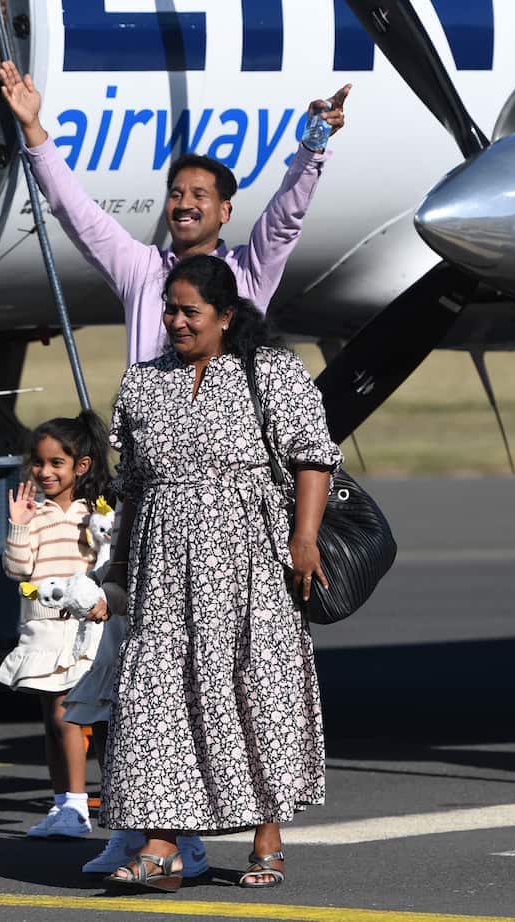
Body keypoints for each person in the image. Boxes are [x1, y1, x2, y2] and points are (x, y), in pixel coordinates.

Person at [94, 254, 341, 893]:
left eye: (189, 312)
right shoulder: (143, 383)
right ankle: (161, 846)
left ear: (226, 317)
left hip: (248, 560)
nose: (175, 321)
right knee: (157, 698)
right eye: (169, 310)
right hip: (163, 571)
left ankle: (267, 837)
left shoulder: (273, 374)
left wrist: (304, 538)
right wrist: (118, 570)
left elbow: (313, 457)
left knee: (252, 689)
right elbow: (132, 488)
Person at [0, 60, 349, 365]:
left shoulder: (246, 272)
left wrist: (312, 146)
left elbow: (284, 219)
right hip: (152, 441)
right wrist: (33, 129)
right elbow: (75, 211)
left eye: (199, 195)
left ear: (225, 210)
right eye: (176, 194)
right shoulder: (140, 268)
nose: (184, 204)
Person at [0, 412, 112, 839]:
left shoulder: (93, 513)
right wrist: (18, 526)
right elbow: (17, 569)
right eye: (38, 463)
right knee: (52, 718)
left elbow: (104, 566)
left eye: (55, 463)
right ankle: (62, 802)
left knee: (69, 716)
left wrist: (103, 530)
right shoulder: (36, 514)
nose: (44, 472)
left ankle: (80, 807)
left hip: (78, 631)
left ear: (80, 466)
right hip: (41, 630)